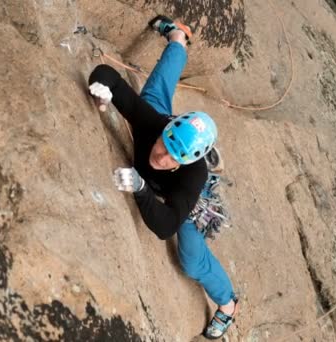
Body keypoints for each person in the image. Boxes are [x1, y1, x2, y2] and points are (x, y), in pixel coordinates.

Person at [88, 15, 239, 339]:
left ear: (186, 162)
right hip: (160, 121)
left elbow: (167, 225)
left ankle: (228, 304)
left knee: (191, 261)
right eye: (164, 146)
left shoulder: (191, 177)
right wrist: (101, 92)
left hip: (179, 199)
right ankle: (177, 39)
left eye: (172, 156)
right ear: (167, 130)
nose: (160, 156)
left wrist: (142, 189)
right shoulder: (154, 126)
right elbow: (107, 75)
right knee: (153, 99)